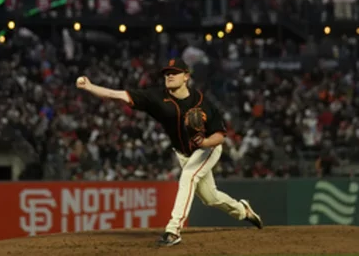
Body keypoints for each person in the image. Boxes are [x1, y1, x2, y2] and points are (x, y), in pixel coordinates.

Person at [76, 58, 263, 247]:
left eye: (174, 72)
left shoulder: (202, 102)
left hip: (207, 149)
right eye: (167, 73)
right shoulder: (157, 97)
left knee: (188, 176)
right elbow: (117, 95)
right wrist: (90, 87)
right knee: (210, 197)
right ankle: (242, 210)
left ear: (186, 77)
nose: (169, 75)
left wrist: (205, 141)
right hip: (183, 153)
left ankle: (173, 230)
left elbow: (220, 135)